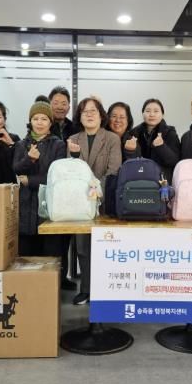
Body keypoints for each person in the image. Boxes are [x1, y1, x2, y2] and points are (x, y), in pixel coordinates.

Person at [67, 97, 122, 304]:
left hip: (105, 200)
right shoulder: (73, 139)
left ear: (101, 115)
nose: (89, 114)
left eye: (93, 111)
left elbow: (113, 170)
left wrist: (95, 190)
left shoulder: (112, 139)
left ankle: (105, 289)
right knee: (82, 248)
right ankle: (86, 289)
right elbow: (72, 172)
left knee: (106, 246)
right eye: (85, 111)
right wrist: (74, 156)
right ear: (79, 117)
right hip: (80, 203)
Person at [13, 101, 66, 257]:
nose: (39, 123)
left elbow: (57, 178)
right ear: (30, 121)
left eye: (44, 119)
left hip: (49, 208)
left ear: (50, 122)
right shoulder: (21, 144)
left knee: (51, 257)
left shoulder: (58, 145)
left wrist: (30, 181)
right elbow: (16, 169)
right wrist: (29, 159)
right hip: (25, 208)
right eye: (35, 119)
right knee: (26, 259)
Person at [47, 86, 78, 290]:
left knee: (66, 234)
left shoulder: (74, 127)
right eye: (56, 103)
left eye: (64, 103)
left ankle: (63, 275)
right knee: (51, 236)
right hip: (49, 184)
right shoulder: (42, 123)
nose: (60, 107)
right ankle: (50, 278)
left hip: (69, 185)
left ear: (69, 106)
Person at [126, 98, 180, 182]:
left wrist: (161, 147)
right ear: (143, 114)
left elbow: (174, 161)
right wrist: (130, 151)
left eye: (156, 111)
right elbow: (130, 163)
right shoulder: (134, 133)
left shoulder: (170, 132)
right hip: (138, 179)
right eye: (148, 111)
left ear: (162, 114)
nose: (151, 114)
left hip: (161, 181)